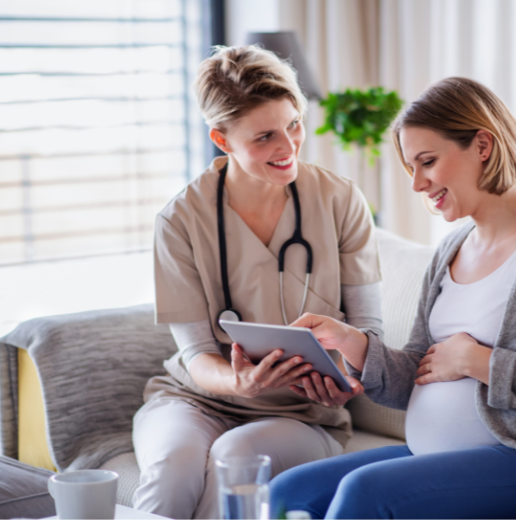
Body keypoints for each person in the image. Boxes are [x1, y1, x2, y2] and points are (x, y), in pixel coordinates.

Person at [270, 77, 516, 519]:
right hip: (432, 454)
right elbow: (418, 375)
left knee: (367, 492)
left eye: (427, 162)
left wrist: (476, 362)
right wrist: (353, 344)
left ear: (482, 145)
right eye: (411, 168)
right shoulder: (451, 248)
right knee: (286, 493)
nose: (418, 184)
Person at [131, 45, 383, 520]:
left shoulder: (339, 199)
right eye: (264, 136)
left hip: (301, 414)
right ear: (222, 141)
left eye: (293, 124)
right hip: (195, 399)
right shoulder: (181, 220)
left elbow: (368, 332)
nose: (287, 146)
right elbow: (197, 354)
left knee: (236, 459)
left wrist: (350, 378)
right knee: (172, 467)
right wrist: (238, 382)